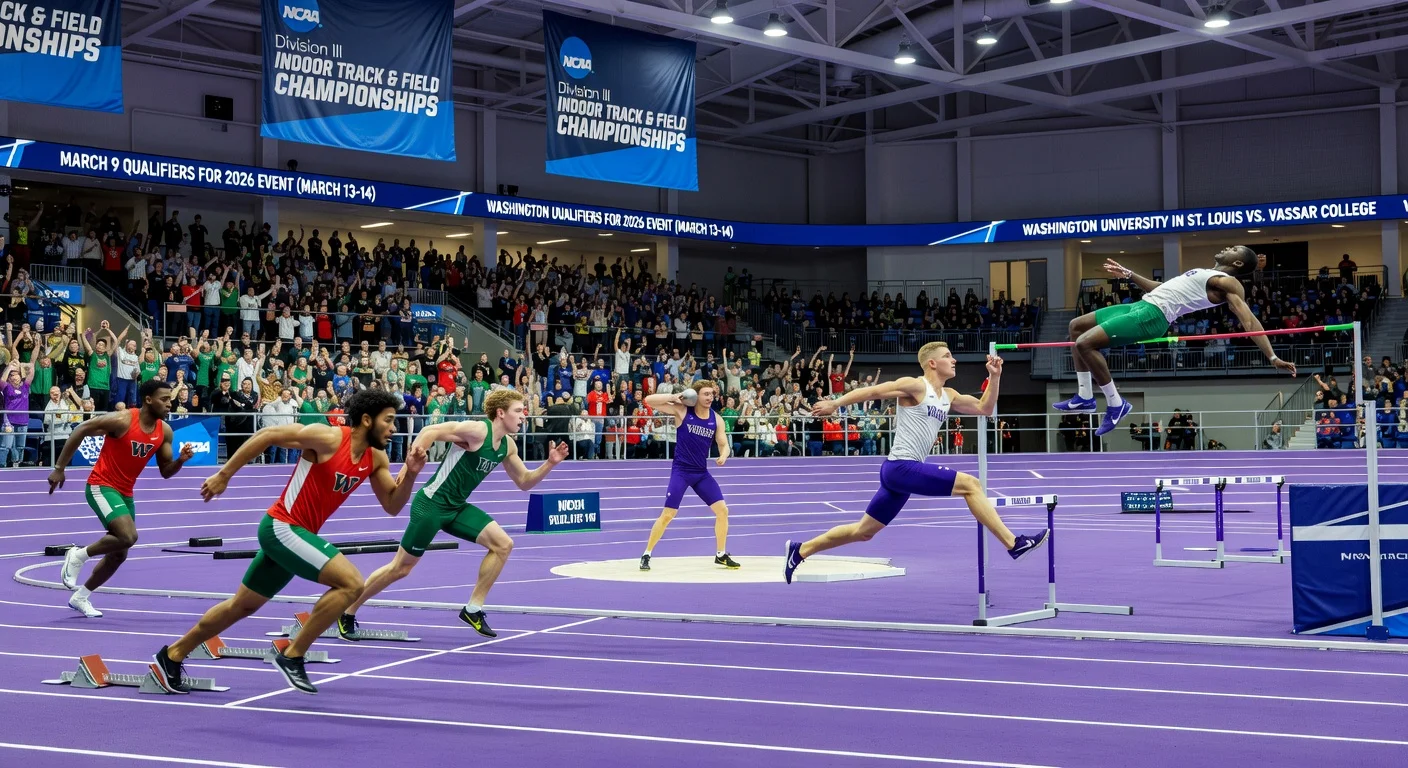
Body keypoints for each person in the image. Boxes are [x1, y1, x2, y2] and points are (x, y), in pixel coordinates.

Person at [151, 390, 427, 695]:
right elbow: (267, 435)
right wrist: (224, 475)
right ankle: (293, 655)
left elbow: (392, 505)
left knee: (241, 605)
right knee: (351, 584)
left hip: (295, 537)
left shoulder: (376, 458)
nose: (394, 428)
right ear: (366, 420)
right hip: (282, 527)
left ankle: (172, 655)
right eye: (388, 420)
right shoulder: (328, 438)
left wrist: (411, 474)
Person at [784, 342, 1048, 584]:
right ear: (932, 363)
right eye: (947, 356)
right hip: (901, 467)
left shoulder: (949, 395)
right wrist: (836, 403)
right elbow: (873, 391)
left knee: (864, 532)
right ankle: (1013, 543)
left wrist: (995, 376)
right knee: (971, 484)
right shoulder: (915, 386)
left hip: (900, 475)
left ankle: (801, 550)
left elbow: (984, 408)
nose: (954, 360)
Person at [339, 389, 568, 640]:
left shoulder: (507, 446)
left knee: (503, 544)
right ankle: (347, 610)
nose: (524, 415)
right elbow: (429, 431)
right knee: (400, 568)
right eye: (518, 410)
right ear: (501, 413)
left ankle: (473, 609)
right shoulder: (478, 431)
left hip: (456, 507)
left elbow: (524, 481)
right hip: (431, 505)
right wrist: (407, 468)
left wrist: (550, 463)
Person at [1055, 246, 1296, 435]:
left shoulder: (1227, 282)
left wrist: (1272, 356)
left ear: (1238, 263)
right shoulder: (1204, 273)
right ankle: (1085, 396)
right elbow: (1160, 288)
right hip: (1143, 304)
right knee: (1076, 326)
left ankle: (1116, 403)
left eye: (1233, 249)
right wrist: (1130, 274)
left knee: (1084, 343)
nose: (1227, 248)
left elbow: (1250, 322)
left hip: (1152, 316)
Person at [52, 380, 196, 617]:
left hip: (125, 491)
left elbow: (165, 471)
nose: (169, 404)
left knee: (120, 552)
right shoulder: (123, 420)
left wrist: (180, 460)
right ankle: (77, 555)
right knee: (128, 536)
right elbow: (81, 429)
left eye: (170, 399)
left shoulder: (165, 431)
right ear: (148, 400)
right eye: (164, 399)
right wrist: (59, 468)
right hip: (101, 485)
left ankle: (81, 597)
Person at [639, 382, 737, 571]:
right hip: (681, 472)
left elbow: (724, 444)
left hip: (701, 473)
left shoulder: (716, 419)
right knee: (668, 514)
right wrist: (673, 397)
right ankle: (646, 554)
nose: (710, 397)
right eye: (706, 394)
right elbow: (649, 400)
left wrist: (724, 455)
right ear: (695, 395)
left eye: (712, 394)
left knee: (722, 511)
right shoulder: (682, 411)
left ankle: (721, 554)